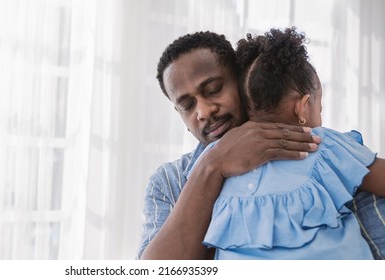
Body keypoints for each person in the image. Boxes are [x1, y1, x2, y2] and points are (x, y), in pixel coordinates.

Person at [137, 30, 385, 260]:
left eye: (213, 89)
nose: (203, 111)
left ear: (242, 80)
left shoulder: (324, 154)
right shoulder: (169, 183)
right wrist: (212, 166)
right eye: (187, 105)